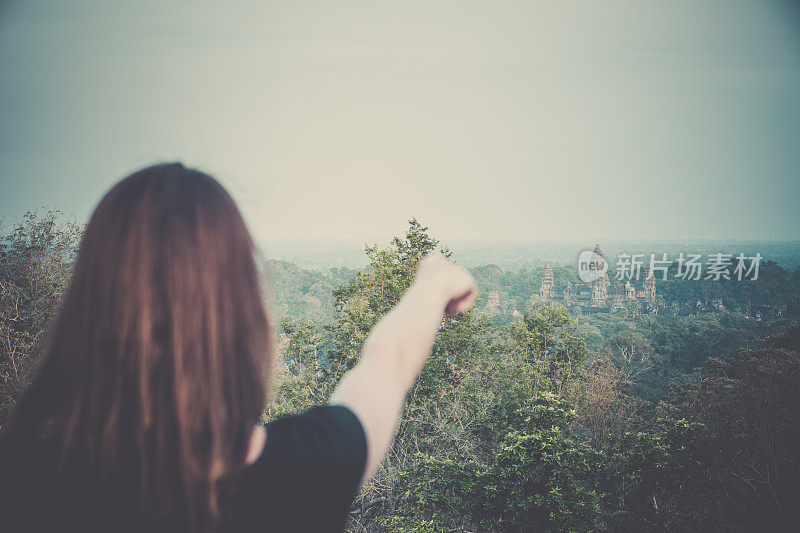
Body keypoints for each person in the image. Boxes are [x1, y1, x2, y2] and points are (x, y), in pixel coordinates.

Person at [0, 162, 477, 532]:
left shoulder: (21, 487)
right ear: (242, 317)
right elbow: (386, 364)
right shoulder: (304, 474)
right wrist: (433, 285)